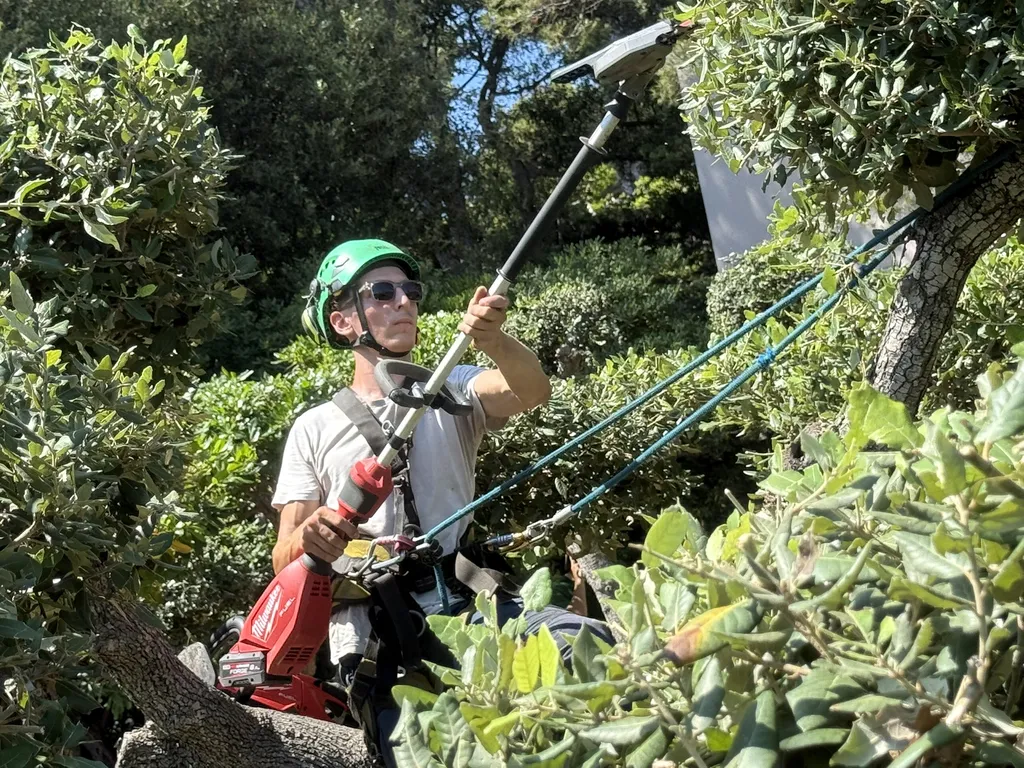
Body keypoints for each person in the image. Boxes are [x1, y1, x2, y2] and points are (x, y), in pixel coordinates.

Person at [270, 239, 611, 764]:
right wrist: (312, 533)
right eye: (381, 292)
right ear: (343, 322)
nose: (402, 301)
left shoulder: (448, 385)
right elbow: (283, 557)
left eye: (410, 291)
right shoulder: (313, 429)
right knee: (416, 755)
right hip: (373, 634)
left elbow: (530, 390)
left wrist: (493, 339)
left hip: (470, 602)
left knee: (591, 649)